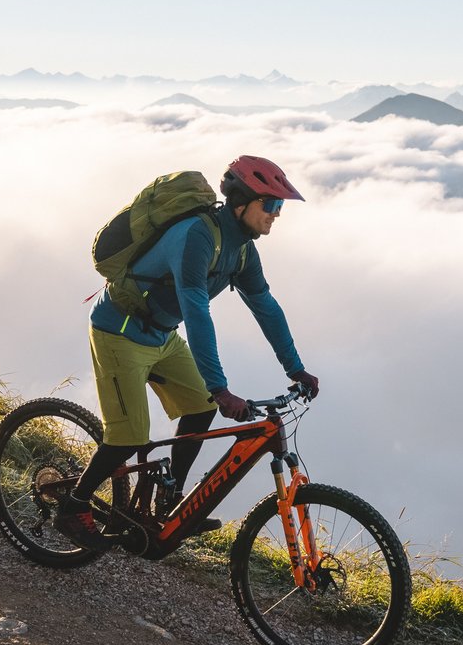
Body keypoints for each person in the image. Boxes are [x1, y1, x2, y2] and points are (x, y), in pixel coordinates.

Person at [56, 154, 319, 551]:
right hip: (119, 330)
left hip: (161, 335)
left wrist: (295, 369)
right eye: (270, 203)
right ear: (241, 203)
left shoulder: (243, 250)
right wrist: (220, 387)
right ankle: (73, 505)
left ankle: (170, 500)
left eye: (279, 205)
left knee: (200, 406)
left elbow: (266, 307)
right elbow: (196, 311)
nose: (276, 214)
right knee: (129, 436)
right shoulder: (198, 236)